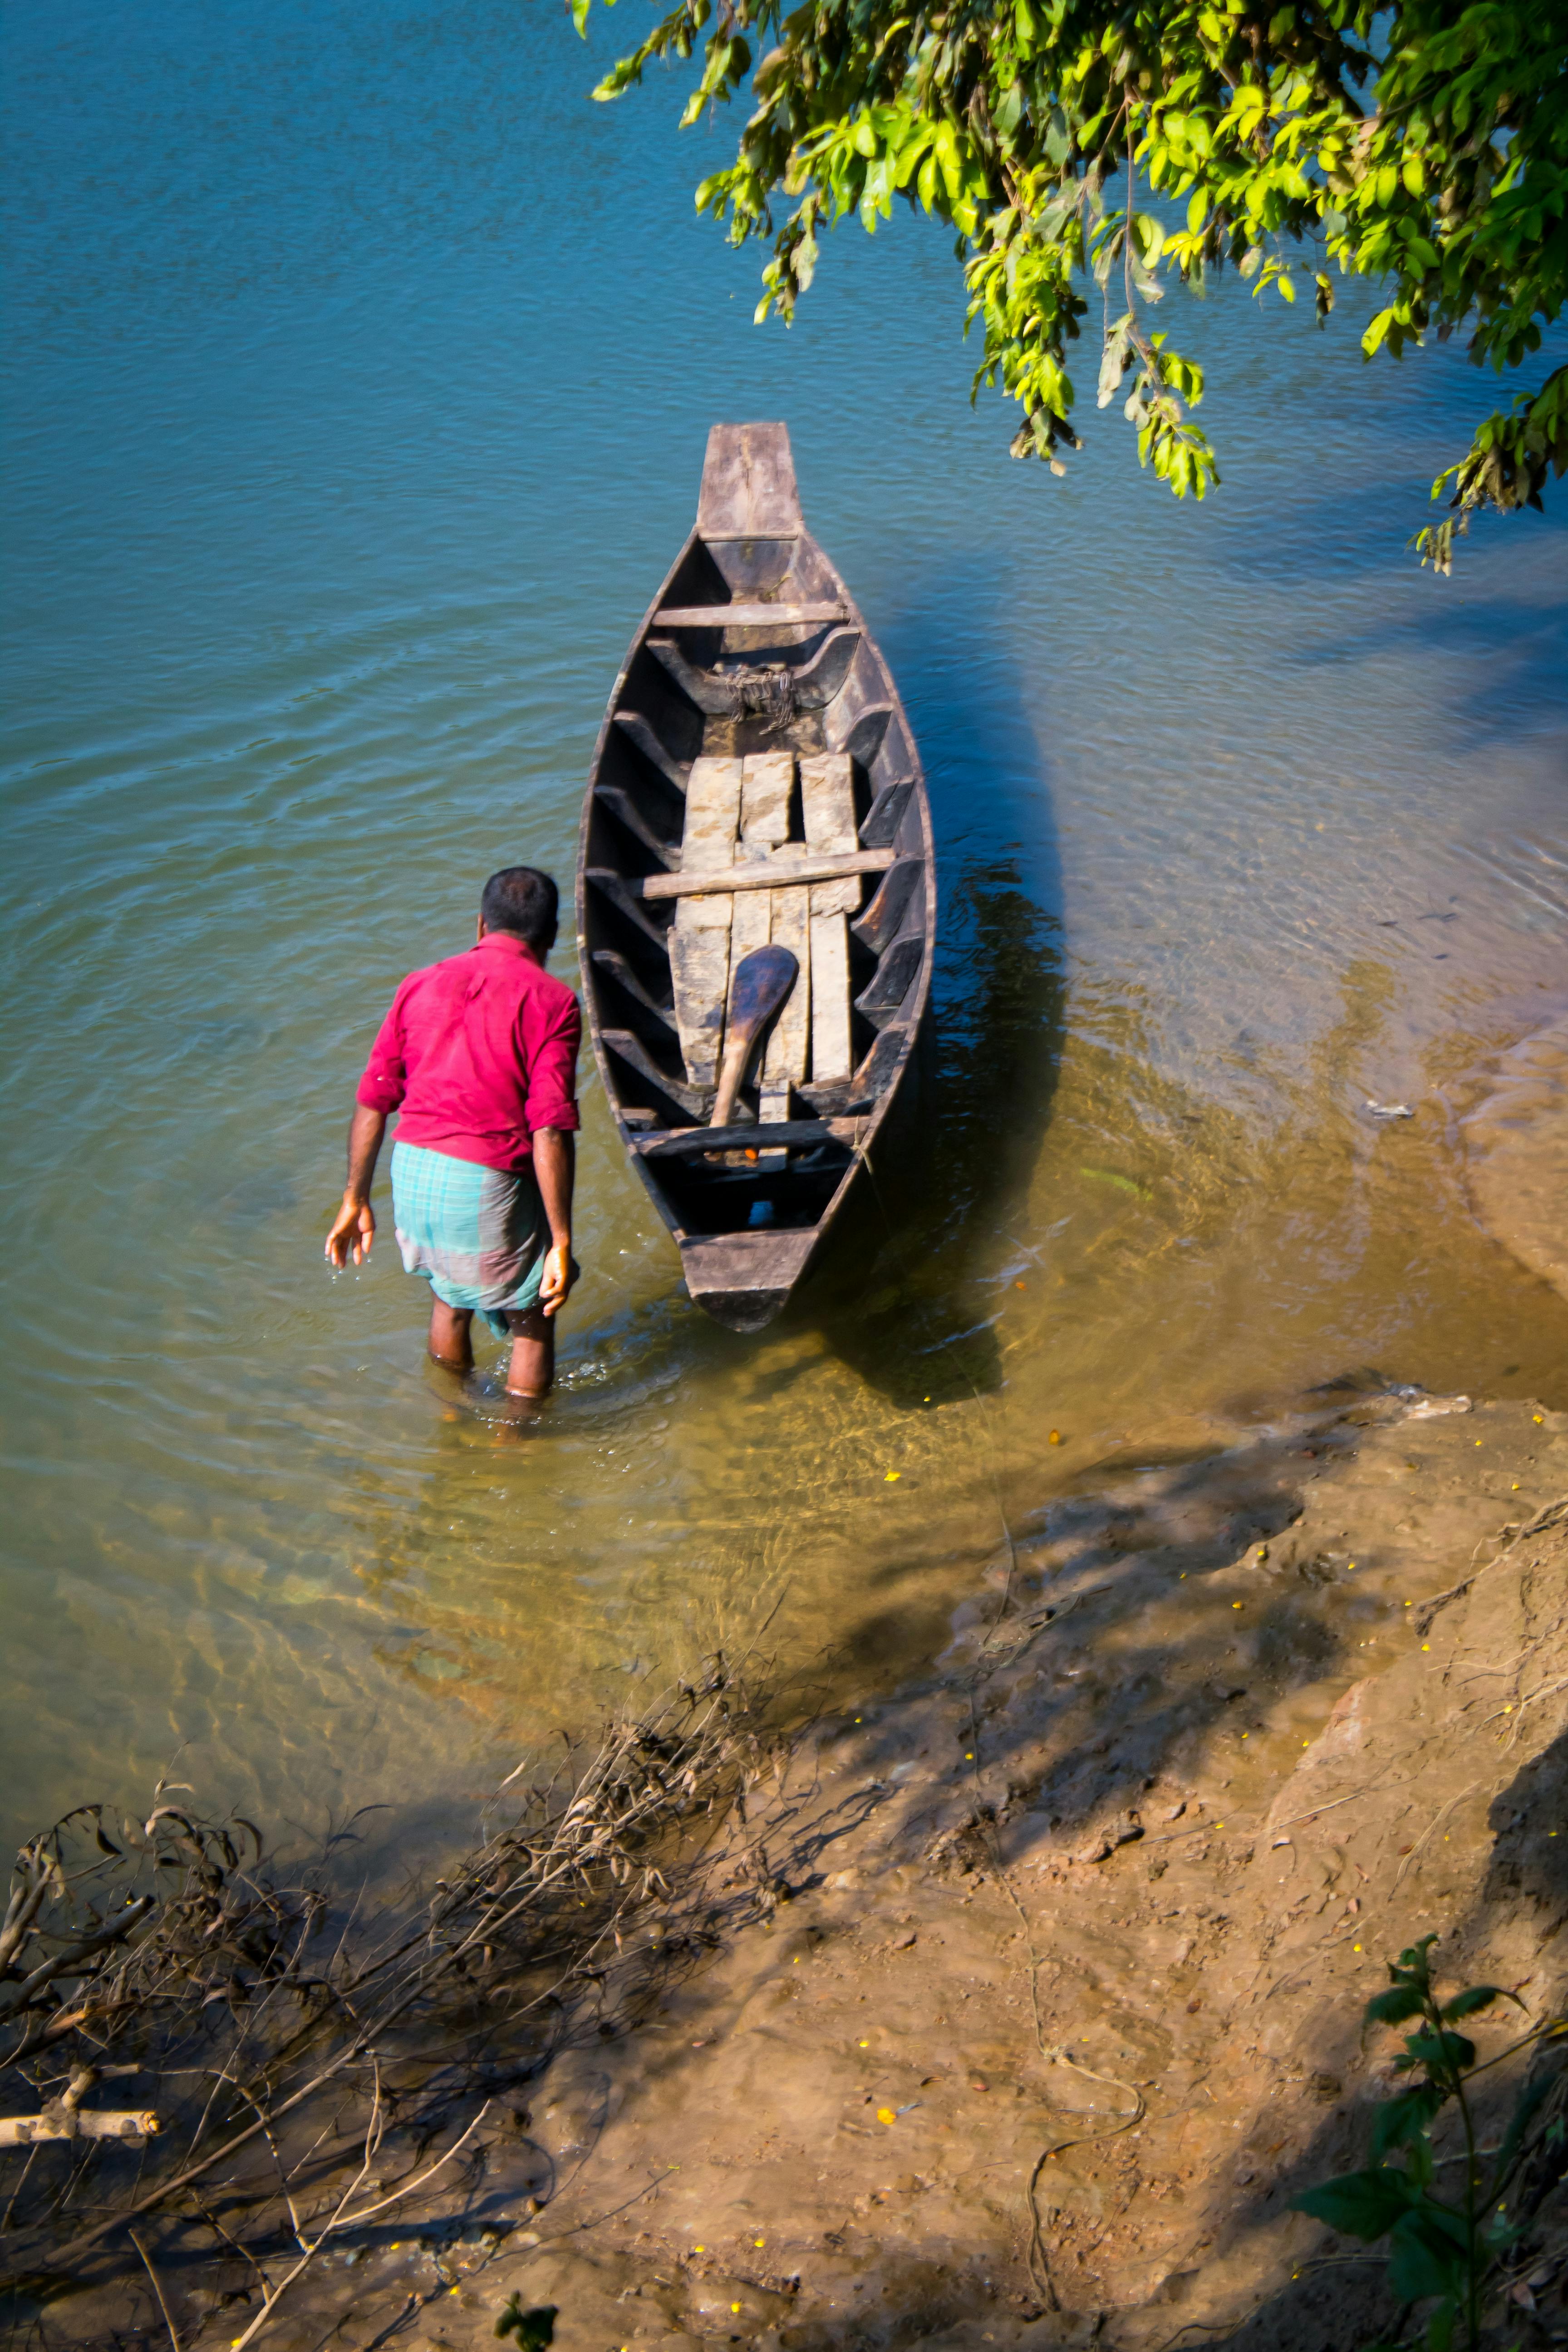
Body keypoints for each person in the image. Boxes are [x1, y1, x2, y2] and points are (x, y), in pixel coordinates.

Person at [325, 866, 580, 1399]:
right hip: (482, 1183)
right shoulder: (553, 1002)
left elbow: (373, 1098)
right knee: (533, 1318)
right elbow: (549, 1127)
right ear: (552, 935)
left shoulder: (418, 982)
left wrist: (354, 1197)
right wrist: (560, 1240)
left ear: (480, 922)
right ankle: (513, 1450)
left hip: (412, 1170)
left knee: (450, 1300)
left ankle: (449, 1414)